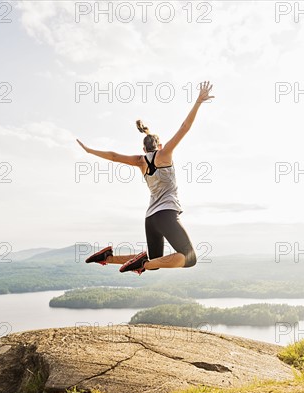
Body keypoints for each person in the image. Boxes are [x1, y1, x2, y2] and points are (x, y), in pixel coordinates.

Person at [76, 81, 214, 275]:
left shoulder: (140, 161)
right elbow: (184, 127)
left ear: (144, 148)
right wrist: (198, 102)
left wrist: (90, 151)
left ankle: (108, 257)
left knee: (155, 260)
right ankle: (142, 264)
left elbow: (114, 156)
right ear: (159, 145)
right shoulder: (164, 155)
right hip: (166, 214)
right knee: (189, 258)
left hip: (150, 217)